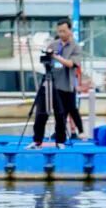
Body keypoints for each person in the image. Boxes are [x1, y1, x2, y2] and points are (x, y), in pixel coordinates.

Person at [28, 18, 81, 150]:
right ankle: (37, 141)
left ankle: (60, 141)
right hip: (49, 83)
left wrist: (56, 57)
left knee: (60, 115)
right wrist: (48, 56)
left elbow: (71, 64)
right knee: (41, 113)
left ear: (70, 30)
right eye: (59, 31)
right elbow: (45, 60)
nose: (61, 34)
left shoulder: (75, 47)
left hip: (65, 86)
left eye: (64, 31)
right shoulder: (53, 44)